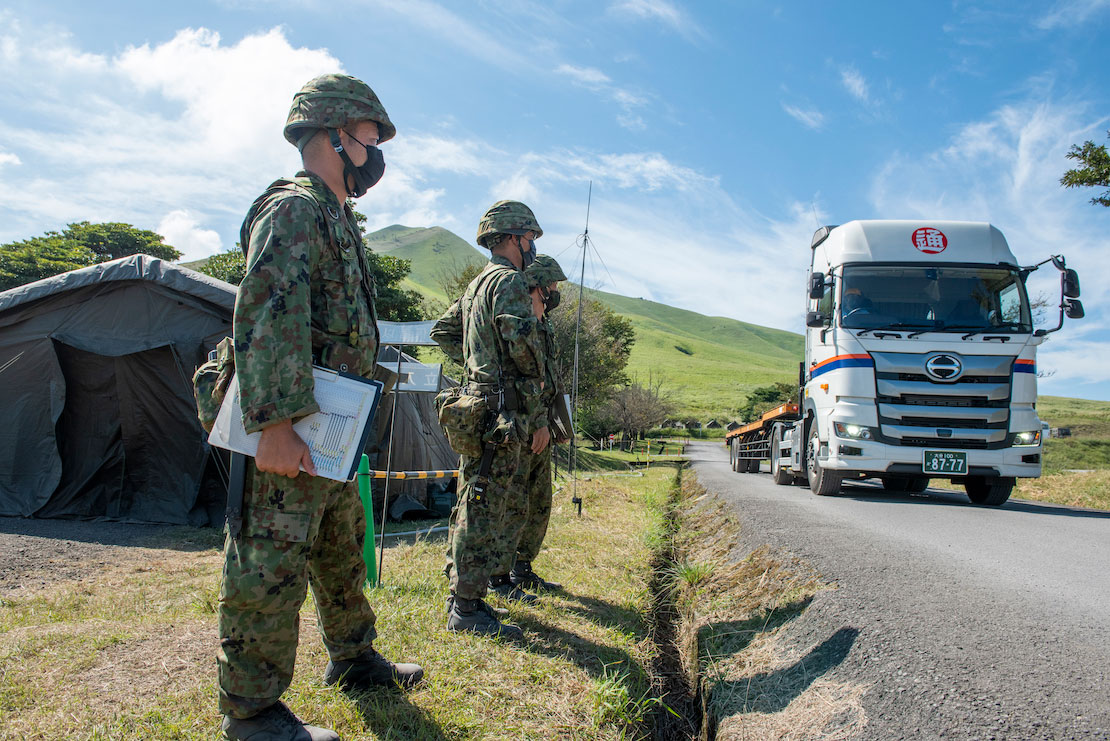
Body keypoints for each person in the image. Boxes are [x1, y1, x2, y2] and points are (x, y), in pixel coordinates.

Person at [219, 74, 423, 741]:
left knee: (339, 548)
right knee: (270, 563)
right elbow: (265, 315)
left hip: (331, 432)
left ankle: (354, 658)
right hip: (291, 428)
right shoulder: (294, 209)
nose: (375, 152)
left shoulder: (336, 219)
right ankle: (251, 711)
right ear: (337, 136)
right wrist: (274, 425)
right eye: (370, 138)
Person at [430, 200, 549, 640]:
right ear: (514, 237)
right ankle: (466, 607)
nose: (532, 247)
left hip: (477, 407)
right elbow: (526, 353)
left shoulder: (477, 285)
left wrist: (477, 366)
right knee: (484, 509)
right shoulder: (511, 282)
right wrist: (535, 412)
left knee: (471, 501)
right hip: (503, 413)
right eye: (530, 239)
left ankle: (464, 596)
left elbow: (443, 331)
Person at [487, 254, 568, 594]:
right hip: (524, 422)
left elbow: (546, 375)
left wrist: (554, 421)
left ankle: (522, 567)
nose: (553, 290)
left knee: (539, 501)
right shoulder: (519, 313)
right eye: (549, 284)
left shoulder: (543, 321)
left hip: (542, 420)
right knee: (515, 503)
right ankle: (499, 575)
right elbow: (526, 375)